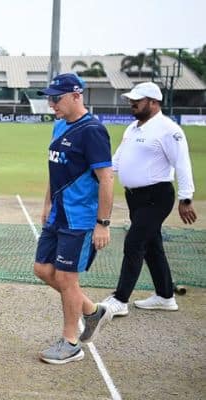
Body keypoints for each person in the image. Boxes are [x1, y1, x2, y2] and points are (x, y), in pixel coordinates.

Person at [33, 73, 114, 364]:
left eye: (57, 98)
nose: (51, 104)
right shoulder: (58, 125)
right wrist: (46, 203)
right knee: (42, 269)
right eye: (50, 98)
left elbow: (106, 179)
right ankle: (92, 311)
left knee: (67, 278)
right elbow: (55, 170)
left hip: (79, 219)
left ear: (76, 96)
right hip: (58, 214)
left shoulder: (92, 131)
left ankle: (70, 343)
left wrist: (102, 224)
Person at [101, 82, 197, 316]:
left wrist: (186, 198)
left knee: (134, 242)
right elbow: (118, 159)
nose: (132, 103)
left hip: (157, 196)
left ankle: (120, 299)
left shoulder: (168, 129)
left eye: (138, 100)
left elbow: (182, 163)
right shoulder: (133, 128)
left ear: (153, 102)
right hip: (135, 198)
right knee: (152, 246)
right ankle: (165, 296)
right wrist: (99, 176)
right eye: (131, 99)